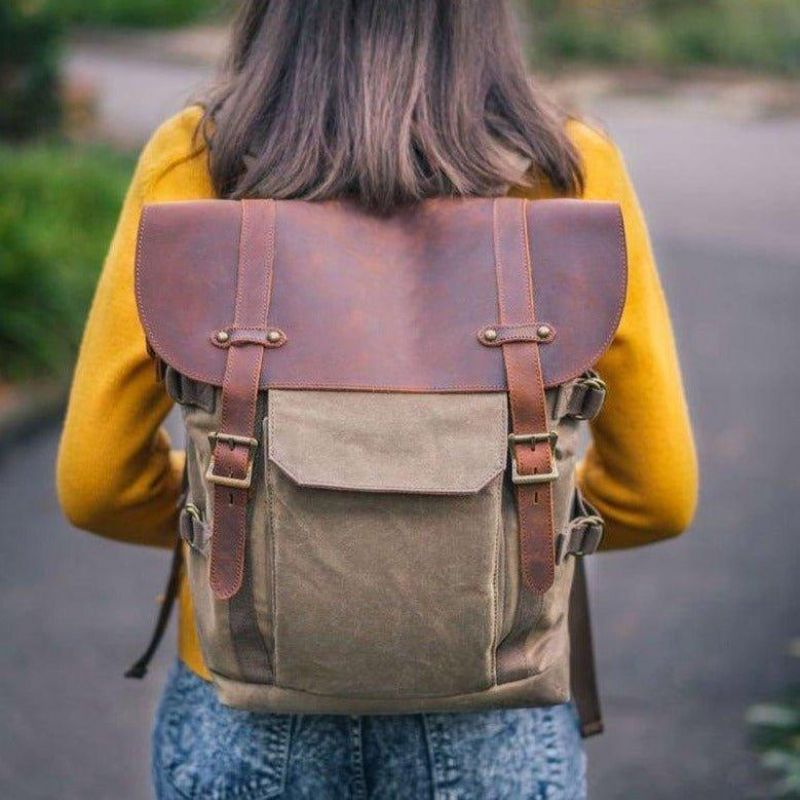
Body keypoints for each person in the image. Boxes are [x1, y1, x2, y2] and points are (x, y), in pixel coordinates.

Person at [56, 1, 698, 797]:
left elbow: (98, 484)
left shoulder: (199, 158)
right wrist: (497, 539)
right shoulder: (566, 167)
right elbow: (657, 496)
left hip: (246, 699)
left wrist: (255, 527)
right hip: (495, 704)